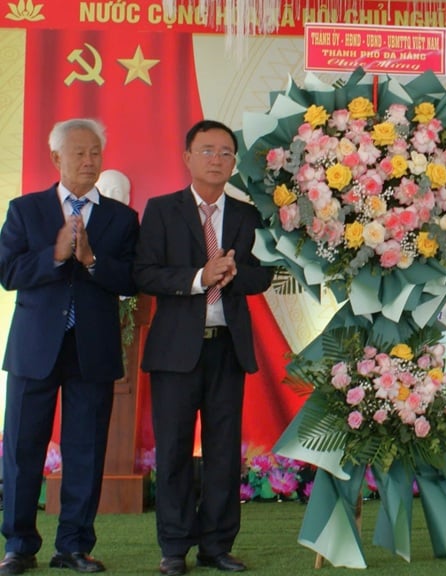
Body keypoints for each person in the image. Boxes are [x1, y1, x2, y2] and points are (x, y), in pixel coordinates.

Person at [134, 120, 274, 575]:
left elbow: (264, 274)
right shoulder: (160, 210)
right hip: (175, 352)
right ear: (187, 156)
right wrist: (200, 277)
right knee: (173, 450)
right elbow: (145, 274)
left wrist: (234, 274)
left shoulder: (247, 215)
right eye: (208, 150)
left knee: (222, 452)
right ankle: (174, 548)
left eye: (227, 152)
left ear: (235, 162)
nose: (218, 159)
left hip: (226, 349)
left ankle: (217, 546)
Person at [0, 118, 139, 575]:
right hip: (34, 349)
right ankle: (19, 546)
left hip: (91, 349)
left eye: (95, 153)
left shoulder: (122, 218)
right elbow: (8, 274)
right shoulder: (25, 210)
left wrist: (92, 261)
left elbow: (133, 279)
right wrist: (55, 256)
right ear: (56, 158)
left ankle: (74, 546)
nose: (88, 161)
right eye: (78, 153)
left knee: (86, 450)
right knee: (22, 450)